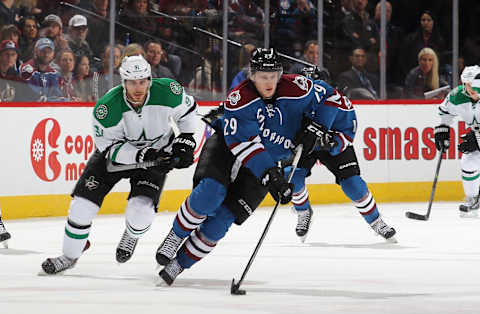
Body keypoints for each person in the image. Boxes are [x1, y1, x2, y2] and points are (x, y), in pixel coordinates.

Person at [154, 48, 337, 287]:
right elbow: (244, 145)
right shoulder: (240, 99)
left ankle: (180, 263)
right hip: (229, 146)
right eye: (263, 76)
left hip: (267, 161)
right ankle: (175, 236)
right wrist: (271, 176)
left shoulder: (299, 89)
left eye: (273, 75)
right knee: (210, 194)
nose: (268, 82)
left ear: (281, 74)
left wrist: (318, 127)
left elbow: (332, 99)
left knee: (221, 221)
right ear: (252, 75)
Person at [40, 55, 198, 275]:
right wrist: (142, 154)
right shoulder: (107, 108)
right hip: (115, 157)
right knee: (81, 207)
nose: (138, 87)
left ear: (150, 79)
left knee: (140, 213)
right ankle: (69, 256)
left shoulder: (169, 90)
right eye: (132, 82)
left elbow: (188, 113)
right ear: (123, 81)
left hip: (156, 153)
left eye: (143, 81)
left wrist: (186, 140)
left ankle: (131, 235)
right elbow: (109, 147)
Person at [288, 66, 396, 242]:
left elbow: (348, 130)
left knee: (353, 184)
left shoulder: (339, 102)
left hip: (330, 145)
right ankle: (303, 211)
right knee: (292, 177)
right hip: (304, 143)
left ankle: (376, 221)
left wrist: (334, 143)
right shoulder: (291, 102)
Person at [435, 65, 480, 218]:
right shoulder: (457, 96)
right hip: (477, 134)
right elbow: (446, 113)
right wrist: (443, 129)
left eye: (471, 85)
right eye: (465, 84)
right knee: (468, 162)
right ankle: (473, 199)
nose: (468, 88)